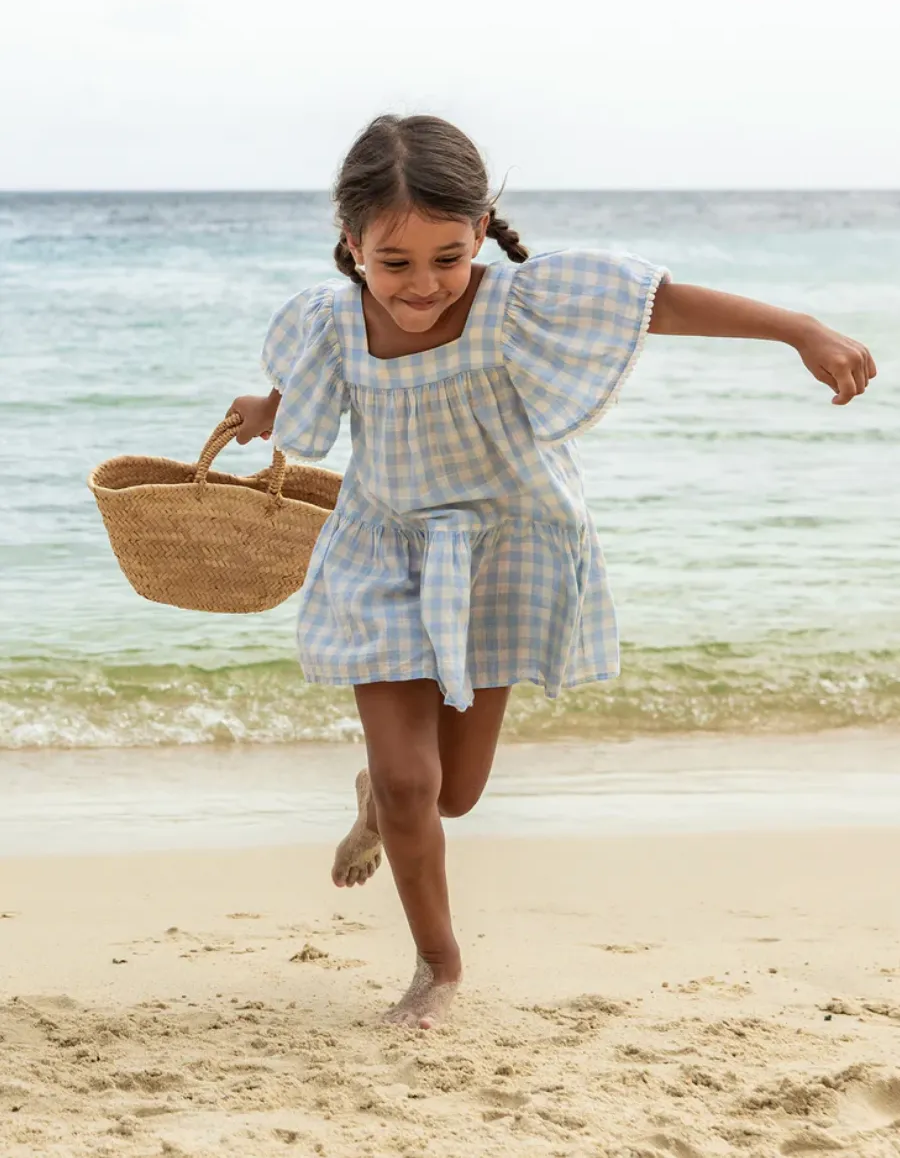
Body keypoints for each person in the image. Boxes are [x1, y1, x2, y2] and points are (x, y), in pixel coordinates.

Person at [228, 114, 876, 1029]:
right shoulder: (330, 320)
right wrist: (267, 405)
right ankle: (437, 966)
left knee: (454, 792)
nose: (424, 286)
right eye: (396, 263)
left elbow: (665, 304)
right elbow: (313, 388)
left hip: (502, 554)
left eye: (448, 258)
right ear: (352, 245)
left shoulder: (519, 303)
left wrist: (799, 330)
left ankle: (380, 792)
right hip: (379, 552)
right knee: (420, 788)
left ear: (483, 229)